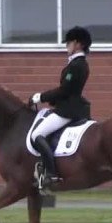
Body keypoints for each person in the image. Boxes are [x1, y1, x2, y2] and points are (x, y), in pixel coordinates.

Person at [28, 26, 92, 187]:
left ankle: (51, 174)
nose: (66, 46)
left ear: (78, 44)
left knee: (37, 134)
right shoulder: (77, 63)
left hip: (67, 111)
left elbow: (65, 90)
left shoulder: (77, 65)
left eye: (69, 42)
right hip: (68, 107)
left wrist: (40, 97)